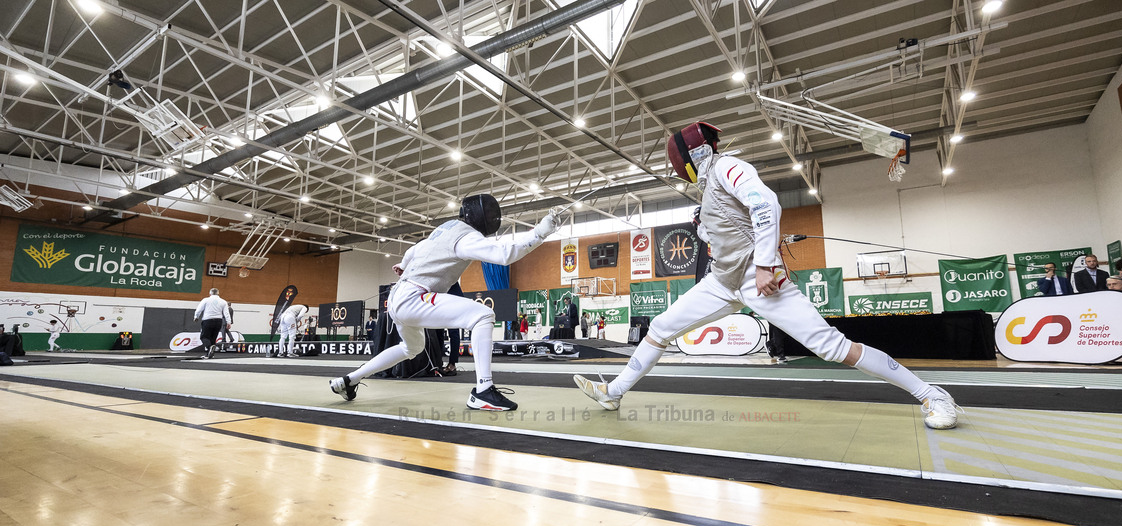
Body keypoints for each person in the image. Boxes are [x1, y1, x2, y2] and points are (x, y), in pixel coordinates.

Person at [573, 121, 962, 429]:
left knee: (831, 347)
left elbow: (766, 204)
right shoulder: (710, 186)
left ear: (693, 154)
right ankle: (615, 391)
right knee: (660, 326)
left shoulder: (728, 166)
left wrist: (765, 264)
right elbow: (731, 227)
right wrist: (706, 227)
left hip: (758, 279)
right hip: (721, 281)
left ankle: (933, 395)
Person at [329, 194, 560, 411]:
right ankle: (483, 390)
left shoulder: (444, 229)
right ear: (480, 217)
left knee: (412, 348)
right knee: (483, 315)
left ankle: (349, 380)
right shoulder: (466, 236)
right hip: (414, 297)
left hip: (399, 296)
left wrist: (403, 264)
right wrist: (541, 231)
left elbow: (414, 249)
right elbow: (504, 255)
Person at [194, 288, 232, 359]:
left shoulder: (206, 300)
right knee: (213, 338)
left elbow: (199, 309)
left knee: (204, 337)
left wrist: (196, 317)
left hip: (207, 320)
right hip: (218, 321)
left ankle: (209, 347)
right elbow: (226, 313)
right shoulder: (223, 302)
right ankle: (209, 354)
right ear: (218, 293)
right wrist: (228, 322)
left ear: (210, 293)